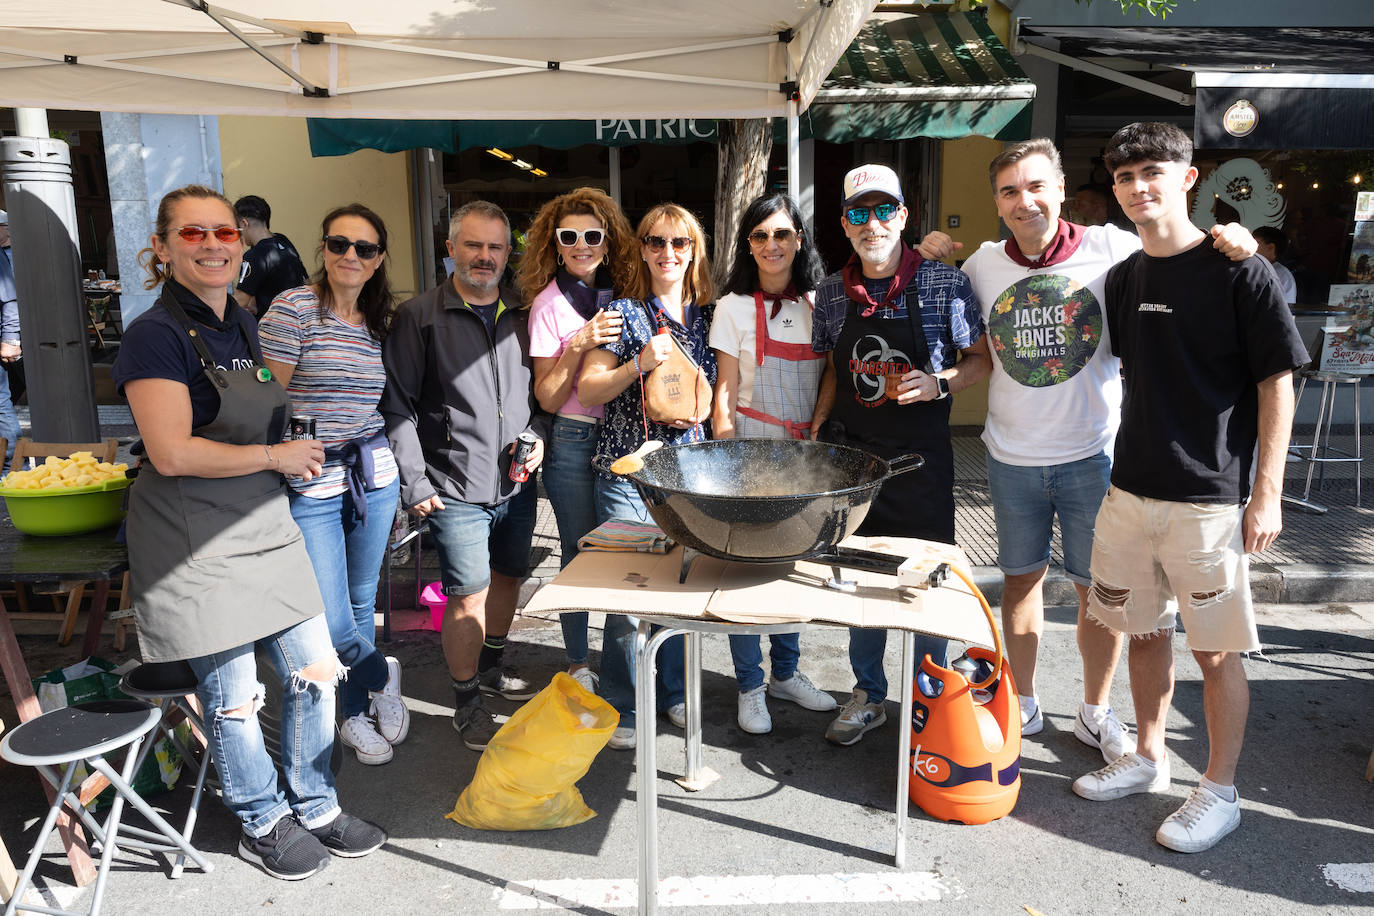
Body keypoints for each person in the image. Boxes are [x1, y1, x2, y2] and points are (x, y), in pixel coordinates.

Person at [918, 140, 1257, 763]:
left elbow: (1177, 248)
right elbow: (976, 357)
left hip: (1095, 458)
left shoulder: (1110, 249)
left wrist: (1232, 239)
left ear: (1061, 186)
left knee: (1098, 597)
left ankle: (1094, 710)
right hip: (1010, 455)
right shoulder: (983, 267)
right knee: (1019, 584)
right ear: (996, 201)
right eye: (1010, 191)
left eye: (1037, 186)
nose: (1025, 202)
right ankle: (1022, 701)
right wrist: (926, 253)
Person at [112, 184, 385, 881]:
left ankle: (316, 803)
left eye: (224, 234)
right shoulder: (155, 335)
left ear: (242, 243)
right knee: (235, 695)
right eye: (194, 234)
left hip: (263, 520)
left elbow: (270, 401)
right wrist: (274, 455)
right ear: (163, 247)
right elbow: (170, 451)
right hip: (193, 536)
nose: (212, 246)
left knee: (317, 668)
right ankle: (261, 819)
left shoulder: (244, 321)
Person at [1070, 123, 1308, 854]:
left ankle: (1221, 790)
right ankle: (1147, 756)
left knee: (1215, 652)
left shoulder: (1241, 270)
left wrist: (1266, 492)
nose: (1138, 185)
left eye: (1151, 171)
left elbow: (1278, 381)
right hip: (1130, 490)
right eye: (1123, 176)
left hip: (1208, 498)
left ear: (1187, 177)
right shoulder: (1124, 277)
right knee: (1141, 631)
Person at [809, 164, 991, 747]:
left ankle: (927, 693)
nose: (872, 223)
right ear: (844, 223)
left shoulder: (944, 284)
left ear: (904, 217)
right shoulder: (832, 293)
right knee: (860, 581)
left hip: (921, 462)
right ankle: (867, 693)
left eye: (884, 210)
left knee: (924, 584)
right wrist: (817, 425)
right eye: (859, 212)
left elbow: (981, 361)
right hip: (855, 462)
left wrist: (940, 384)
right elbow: (833, 369)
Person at [380, 200, 548, 752]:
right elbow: (397, 407)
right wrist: (416, 484)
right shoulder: (419, 316)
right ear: (449, 249)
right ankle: (467, 699)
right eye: (472, 245)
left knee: (508, 579)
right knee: (467, 596)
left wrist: (540, 434)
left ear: (508, 254)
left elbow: (545, 393)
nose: (484, 256)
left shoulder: (524, 313)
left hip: (517, 482)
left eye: (495, 247)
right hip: (452, 486)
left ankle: (494, 668)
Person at [259, 204, 408, 767]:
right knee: (330, 618)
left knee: (361, 602)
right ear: (322, 249)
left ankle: (351, 714)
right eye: (339, 244)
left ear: (378, 260)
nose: (351, 255)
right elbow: (269, 400)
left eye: (364, 248)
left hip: (372, 475)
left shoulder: (377, 320)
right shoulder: (295, 307)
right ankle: (380, 674)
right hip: (311, 482)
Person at [578, 203, 717, 751]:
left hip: (689, 472)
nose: (668, 253)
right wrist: (637, 364)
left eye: (680, 243)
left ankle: (675, 690)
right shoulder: (622, 314)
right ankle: (622, 699)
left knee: (680, 587)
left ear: (693, 251)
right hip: (628, 473)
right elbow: (589, 390)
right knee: (627, 593)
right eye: (656, 242)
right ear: (640, 248)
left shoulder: (708, 314)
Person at [709, 193, 837, 734]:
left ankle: (785, 672)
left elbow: (831, 372)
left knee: (791, 564)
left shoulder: (823, 301)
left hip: (803, 453)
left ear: (799, 239)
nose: (771, 245)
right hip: (749, 447)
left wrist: (816, 428)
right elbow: (725, 389)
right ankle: (749, 684)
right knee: (742, 567)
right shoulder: (732, 306)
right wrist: (726, 452)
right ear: (748, 244)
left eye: (781, 234)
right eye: (760, 236)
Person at [519, 188, 635, 694]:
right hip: (571, 436)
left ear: (608, 242)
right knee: (576, 552)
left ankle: (619, 665)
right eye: (570, 237)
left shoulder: (626, 292)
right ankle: (577, 661)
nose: (582, 245)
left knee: (623, 555)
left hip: (625, 439)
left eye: (593, 235)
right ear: (556, 244)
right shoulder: (547, 305)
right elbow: (546, 396)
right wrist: (579, 343)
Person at [234, 194, 309, 319]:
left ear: (244, 223)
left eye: (237, 228)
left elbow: (240, 301)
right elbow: (306, 282)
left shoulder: (254, 256)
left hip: (273, 328)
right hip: (300, 319)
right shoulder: (283, 240)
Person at [0, 210, 20, 471]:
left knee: (2, 404)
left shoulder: (9, 256)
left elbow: (10, 300)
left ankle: (13, 466)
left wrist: (11, 338)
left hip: (10, 340)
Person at [1253, 226, 1298, 304]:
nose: (1249, 247)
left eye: (1255, 243)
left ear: (1271, 247)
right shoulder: (1252, 268)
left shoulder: (1282, 275)